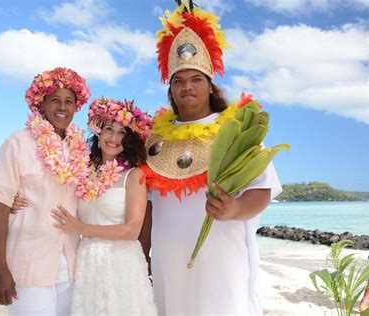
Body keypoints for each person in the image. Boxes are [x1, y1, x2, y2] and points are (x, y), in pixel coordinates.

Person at [139, 3, 283, 315]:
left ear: (209, 84)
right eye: (178, 81)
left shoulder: (235, 129)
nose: (186, 87)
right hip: (167, 264)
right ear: (171, 89)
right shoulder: (153, 139)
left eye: (195, 79)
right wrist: (142, 255)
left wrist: (235, 208)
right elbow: (146, 203)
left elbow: (263, 188)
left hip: (221, 262)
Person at [0, 67, 90, 315]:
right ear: (42, 104)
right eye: (55, 100)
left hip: (71, 264)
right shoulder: (17, 143)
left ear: (76, 107)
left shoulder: (81, 148)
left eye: (69, 101)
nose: (62, 107)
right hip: (28, 264)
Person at [49, 97, 157, 315]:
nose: (114, 138)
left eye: (122, 133)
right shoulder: (82, 173)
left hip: (121, 262)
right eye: (109, 129)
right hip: (87, 261)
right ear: (98, 135)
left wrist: (80, 228)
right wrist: (17, 201)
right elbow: (50, 191)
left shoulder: (134, 176)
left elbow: (132, 230)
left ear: (129, 140)